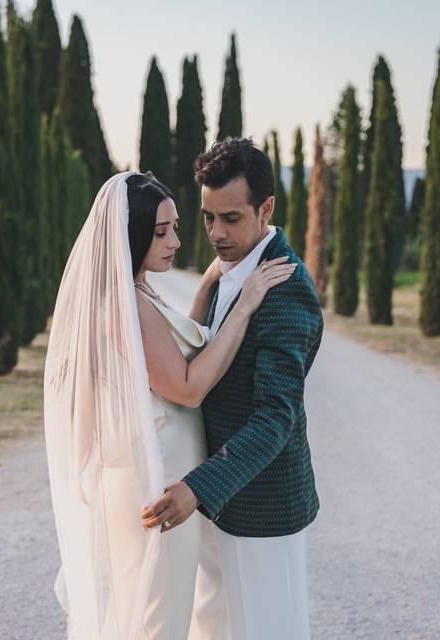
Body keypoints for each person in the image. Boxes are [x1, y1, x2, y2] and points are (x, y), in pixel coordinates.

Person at [43, 169, 295, 639]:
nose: (176, 241)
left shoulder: (137, 290)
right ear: (131, 234)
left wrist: (211, 281)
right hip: (155, 478)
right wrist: (245, 304)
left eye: (177, 226)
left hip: (164, 468)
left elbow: (177, 343)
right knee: (160, 620)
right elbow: (187, 387)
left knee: (167, 611)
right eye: (161, 232)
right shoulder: (126, 307)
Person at [141, 138, 324, 639]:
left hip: (262, 507)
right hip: (218, 506)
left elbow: (274, 421)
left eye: (232, 218)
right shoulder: (226, 272)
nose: (216, 233)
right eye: (207, 218)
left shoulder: (285, 290)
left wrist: (197, 487)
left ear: (266, 208)